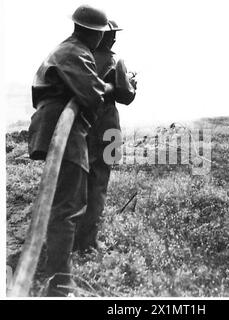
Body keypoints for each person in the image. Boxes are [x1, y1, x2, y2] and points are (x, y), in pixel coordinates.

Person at [28, 5, 114, 296]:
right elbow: (93, 96)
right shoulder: (74, 52)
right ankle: (60, 282)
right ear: (92, 33)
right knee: (68, 205)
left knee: (66, 200)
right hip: (62, 129)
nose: (104, 40)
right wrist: (109, 87)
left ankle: (56, 269)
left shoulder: (73, 50)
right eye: (102, 35)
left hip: (65, 128)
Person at [74, 20, 137, 252]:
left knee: (78, 185)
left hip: (80, 129)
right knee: (98, 184)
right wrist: (132, 85)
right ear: (104, 37)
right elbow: (126, 96)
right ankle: (88, 243)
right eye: (112, 36)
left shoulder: (81, 59)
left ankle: (71, 238)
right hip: (106, 129)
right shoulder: (114, 60)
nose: (114, 39)